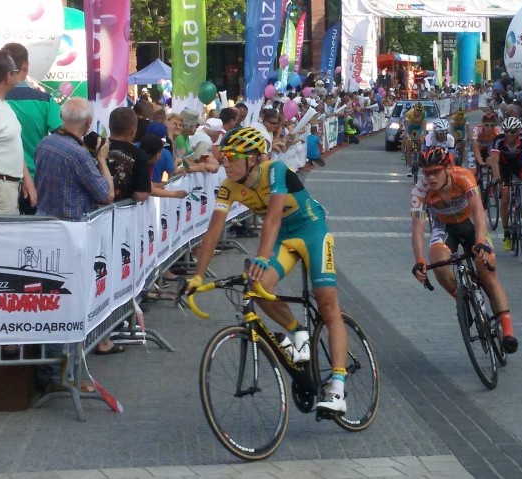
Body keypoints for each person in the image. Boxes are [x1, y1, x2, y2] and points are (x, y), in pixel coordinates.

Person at [186, 127, 350, 414]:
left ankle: (337, 388)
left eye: (230, 156)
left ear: (252, 158)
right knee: (257, 287)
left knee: (327, 304)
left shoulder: (273, 170)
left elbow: (272, 217)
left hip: (311, 229)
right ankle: (297, 332)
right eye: (222, 157)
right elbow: (213, 231)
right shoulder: (229, 186)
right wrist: (198, 275)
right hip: (284, 239)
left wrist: (261, 257)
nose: (224, 162)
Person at [33, 97, 115, 383]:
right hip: (71, 232)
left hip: (45, 226)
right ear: (88, 124)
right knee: (67, 301)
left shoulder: (45, 144)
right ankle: (59, 373)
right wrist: (102, 159)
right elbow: (106, 193)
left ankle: (50, 368)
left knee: (49, 299)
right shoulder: (77, 153)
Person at [409, 146, 518, 353]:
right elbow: (417, 227)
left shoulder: (464, 176)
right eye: (427, 173)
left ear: (448, 168)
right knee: (438, 263)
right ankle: (463, 300)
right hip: (444, 227)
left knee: (487, 272)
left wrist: (481, 241)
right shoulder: (419, 190)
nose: (431, 178)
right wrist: (419, 260)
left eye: (435, 172)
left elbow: (478, 209)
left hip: (470, 223)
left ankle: (508, 331)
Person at [2, 43, 60, 215]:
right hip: (37, 181)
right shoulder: (46, 101)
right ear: (26, 67)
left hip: (2, 178)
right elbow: (63, 136)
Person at [0, 50, 33, 215]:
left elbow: (9, 144)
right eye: (15, 72)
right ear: (7, 76)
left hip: (2, 185)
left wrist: (25, 177)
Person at [488, 117, 522, 251]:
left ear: (518, 131)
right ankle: (506, 234)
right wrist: (498, 180)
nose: (509, 135)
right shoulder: (499, 140)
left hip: (518, 165)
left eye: (512, 132)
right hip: (503, 168)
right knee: (505, 197)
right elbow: (495, 162)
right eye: (506, 131)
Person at [107, 107, 151, 203]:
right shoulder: (139, 155)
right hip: (123, 213)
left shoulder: (96, 148)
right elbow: (140, 194)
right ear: (132, 130)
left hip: (93, 212)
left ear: (109, 126)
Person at [471, 111, 501, 180]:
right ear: (483, 124)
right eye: (487, 125)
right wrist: (480, 162)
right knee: (473, 173)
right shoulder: (477, 129)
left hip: (488, 149)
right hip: (476, 149)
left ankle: (492, 184)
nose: (489, 128)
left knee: (494, 165)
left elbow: (497, 150)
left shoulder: (497, 131)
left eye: (492, 125)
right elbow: (475, 147)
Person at [403, 102, 426, 176]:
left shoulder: (424, 113)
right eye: (417, 110)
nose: (418, 112)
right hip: (410, 129)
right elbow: (406, 126)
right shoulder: (409, 113)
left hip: (418, 129)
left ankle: (419, 159)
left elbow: (424, 125)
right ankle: (409, 168)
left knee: (420, 143)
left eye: (420, 110)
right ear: (414, 109)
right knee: (409, 147)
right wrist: (406, 135)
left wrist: (424, 135)